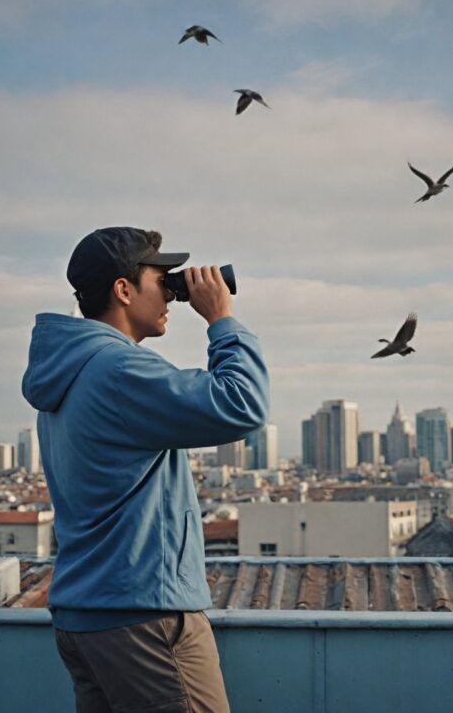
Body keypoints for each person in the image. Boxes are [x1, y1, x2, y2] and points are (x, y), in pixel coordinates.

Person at [22, 226, 269, 712]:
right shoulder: (119, 371)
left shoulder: (64, 374)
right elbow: (243, 406)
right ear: (123, 289)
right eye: (163, 281)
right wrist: (221, 321)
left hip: (84, 613)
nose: (172, 297)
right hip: (143, 617)